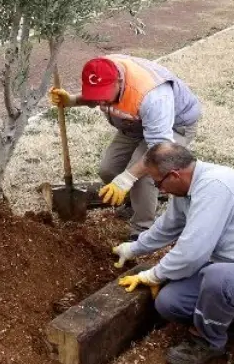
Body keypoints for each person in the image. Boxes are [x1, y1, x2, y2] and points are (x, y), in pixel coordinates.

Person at [114, 143, 234, 364]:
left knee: (219, 278)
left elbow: (192, 252)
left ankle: (207, 341)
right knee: (169, 303)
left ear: (175, 175)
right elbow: (168, 227)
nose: (160, 189)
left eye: (158, 183)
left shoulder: (216, 187)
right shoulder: (186, 189)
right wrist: (132, 248)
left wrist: (154, 275)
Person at [49, 55, 201, 238]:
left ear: (119, 82)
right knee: (108, 169)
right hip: (134, 124)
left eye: (104, 95)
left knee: (144, 176)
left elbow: (159, 151)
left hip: (175, 126)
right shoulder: (101, 69)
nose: (101, 102)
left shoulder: (153, 96)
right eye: (97, 96)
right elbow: (96, 93)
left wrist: (127, 179)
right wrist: (73, 100)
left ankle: (142, 229)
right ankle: (137, 202)